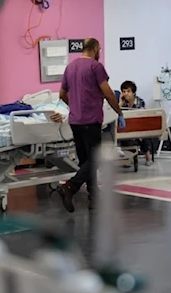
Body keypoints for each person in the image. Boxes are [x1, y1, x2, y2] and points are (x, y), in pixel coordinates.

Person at [52, 37, 124, 212]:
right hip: (91, 121)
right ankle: (70, 187)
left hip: (75, 122)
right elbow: (108, 93)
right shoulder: (95, 67)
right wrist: (119, 112)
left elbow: (62, 93)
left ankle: (94, 197)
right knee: (95, 160)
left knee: (86, 161)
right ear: (94, 48)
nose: (100, 52)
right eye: (99, 49)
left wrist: (74, 106)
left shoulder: (70, 67)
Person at [119, 80, 156, 166]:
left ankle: (148, 156)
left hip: (139, 126)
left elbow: (140, 116)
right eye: (124, 91)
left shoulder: (140, 101)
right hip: (127, 127)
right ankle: (128, 157)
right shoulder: (122, 103)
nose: (126, 94)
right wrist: (120, 103)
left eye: (128, 91)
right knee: (124, 137)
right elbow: (115, 112)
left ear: (133, 93)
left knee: (142, 136)